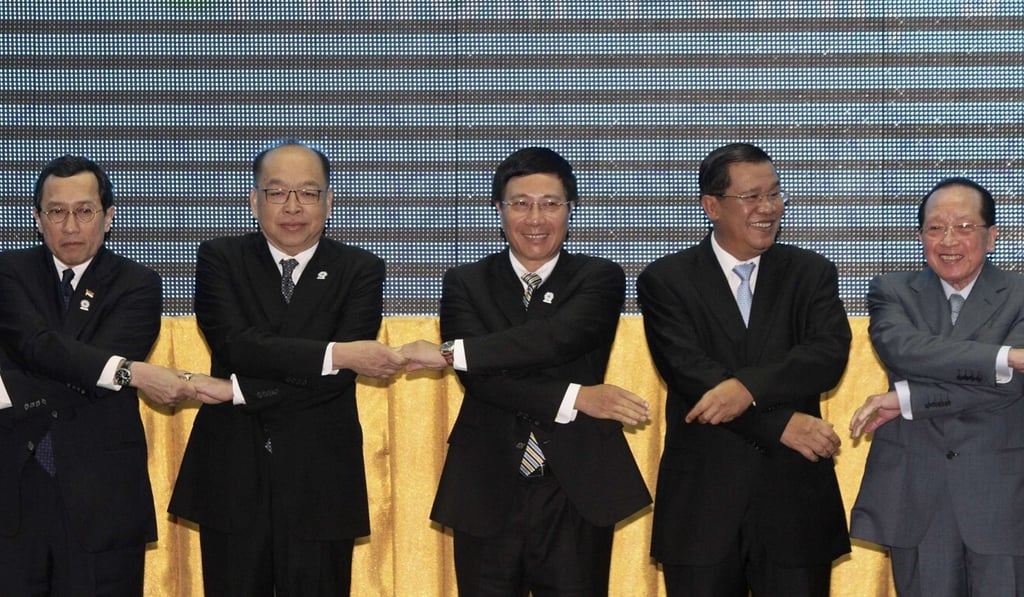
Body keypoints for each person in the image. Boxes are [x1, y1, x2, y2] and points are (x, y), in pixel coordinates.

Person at [402, 147, 652, 596]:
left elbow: (556, 339)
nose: (535, 217)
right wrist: (578, 397)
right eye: (520, 203)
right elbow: (482, 380)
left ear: (570, 210)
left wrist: (451, 352)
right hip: (485, 482)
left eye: (550, 203)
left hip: (576, 484)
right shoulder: (465, 281)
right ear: (499, 209)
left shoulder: (600, 277)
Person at [168, 140, 408, 596]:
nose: (293, 206)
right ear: (254, 201)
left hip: (320, 479)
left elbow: (334, 382)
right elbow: (236, 346)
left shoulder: (360, 269)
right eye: (277, 193)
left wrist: (237, 392)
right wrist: (333, 353)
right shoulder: (221, 259)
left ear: (329, 201)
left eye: (308, 193)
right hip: (233, 474)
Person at [636, 143, 851, 596]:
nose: (768, 208)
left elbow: (826, 356)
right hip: (702, 509)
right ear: (711, 206)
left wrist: (747, 388)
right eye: (751, 197)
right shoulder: (666, 280)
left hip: (795, 507)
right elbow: (690, 373)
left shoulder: (811, 273)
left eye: (774, 194)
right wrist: (779, 424)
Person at [0, 155, 200, 595]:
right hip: (13, 493)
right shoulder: (8, 273)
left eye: (85, 211)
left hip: (101, 496)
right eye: (57, 211)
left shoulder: (138, 283)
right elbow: (34, 343)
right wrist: (130, 374)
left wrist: (8, 389)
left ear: (108, 218)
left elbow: (55, 356)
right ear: (37, 218)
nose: (71, 225)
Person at [849, 177, 1024, 596]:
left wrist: (907, 398)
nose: (949, 240)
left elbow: (1010, 388)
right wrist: (1000, 357)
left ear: (992, 236)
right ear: (920, 235)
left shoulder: (1020, 294)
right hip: (916, 494)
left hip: (1002, 496)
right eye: (935, 228)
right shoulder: (891, 290)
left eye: (964, 227)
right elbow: (904, 351)